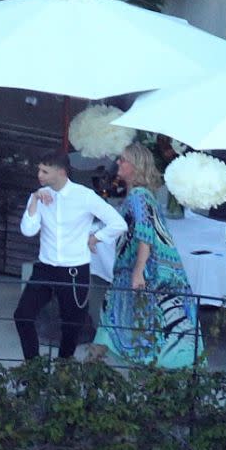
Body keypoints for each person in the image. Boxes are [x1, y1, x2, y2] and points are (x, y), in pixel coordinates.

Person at [92, 142, 201, 367]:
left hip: (142, 274)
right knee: (118, 321)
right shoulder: (143, 195)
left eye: (123, 160)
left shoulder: (139, 196)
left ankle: (90, 370)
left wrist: (138, 272)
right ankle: (92, 367)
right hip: (137, 273)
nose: (118, 163)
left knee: (120, 320)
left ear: (135, 165)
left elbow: (145, 234)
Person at [14, 149, 127, 360]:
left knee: (72, 325)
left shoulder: (83, 196)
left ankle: (64, 368)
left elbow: (118, 223)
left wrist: (96, 237)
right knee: (22, 315)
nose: (40, 175)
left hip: (74, 270)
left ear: (62, 172)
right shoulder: (39, 196)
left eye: (45, 172)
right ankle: (33, 366)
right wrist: (34, 201)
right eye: (39, 170)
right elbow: (28, 231)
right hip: (45, 268)